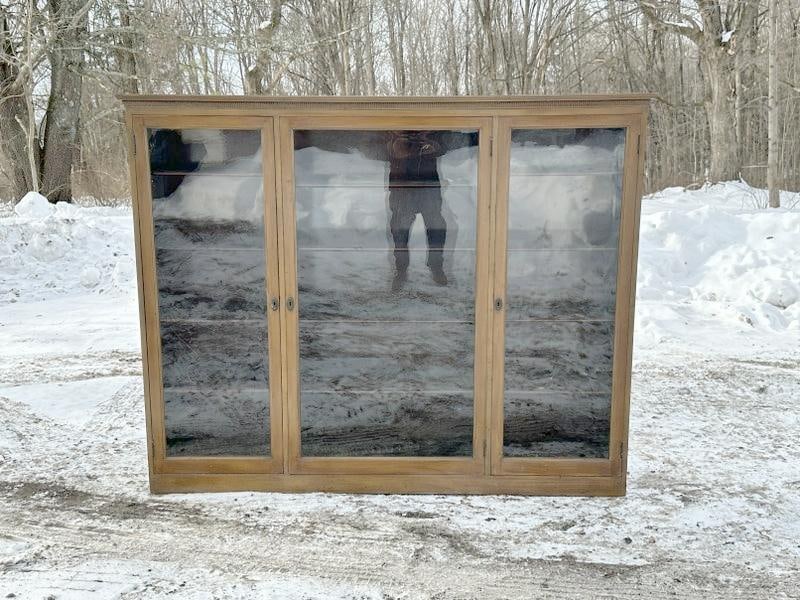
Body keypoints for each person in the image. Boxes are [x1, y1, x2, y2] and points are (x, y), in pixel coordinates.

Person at [294, 129, 478, 291]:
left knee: (436, 226)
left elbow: (458, 140)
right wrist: (392, 148)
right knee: (400, 231)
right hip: (402, 193)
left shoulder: (430, 130)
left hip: (428, 190)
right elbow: (366, 147)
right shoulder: (392, 132)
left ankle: (437, 267)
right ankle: (401, 270)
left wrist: (435, 146)